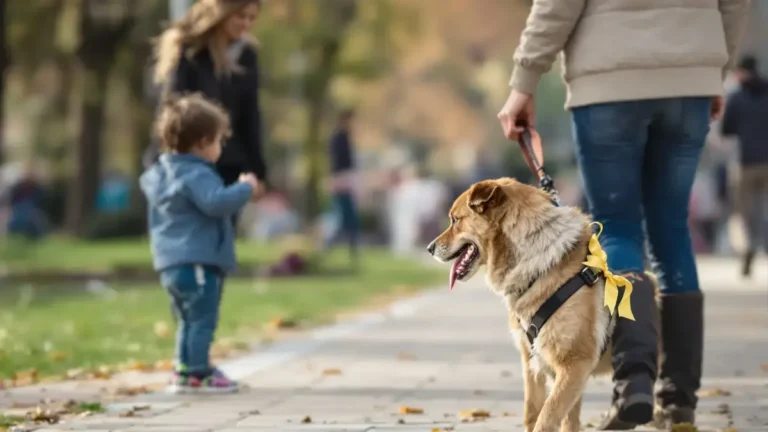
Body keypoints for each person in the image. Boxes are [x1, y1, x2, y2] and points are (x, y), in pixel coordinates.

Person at [497, 0, 750, 429]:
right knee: (673, 231)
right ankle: (679, 400)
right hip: (689, 81)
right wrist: (712, 72)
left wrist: (524, 81)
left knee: (617, 228)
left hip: (608, 84)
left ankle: (633, 380)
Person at [140, 94, 263, 393]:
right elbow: (216, 203)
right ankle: (198, 371)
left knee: (187, 318)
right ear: (202, 142)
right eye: (219, 141)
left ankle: (183, 370)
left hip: (170, 262)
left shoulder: (162, 174)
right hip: (195, 259)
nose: (221, 148)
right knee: (203, 318)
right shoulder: (196, 173)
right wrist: (244, 188)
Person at [146, 0, 267, 199]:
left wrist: (257, 171)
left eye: (251, 18)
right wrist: (161, 162)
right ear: (222, 13)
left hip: (229, 165)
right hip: (188, 165)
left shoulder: (247, 55)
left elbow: (250, 117)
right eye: (240, 16)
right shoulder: (191, 51)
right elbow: (172, 110)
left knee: (222, 229)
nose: (246, 23)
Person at [720, 55, 768, 277]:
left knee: (745, 211)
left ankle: (750, 245)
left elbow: (727, 129)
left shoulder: (737, 97)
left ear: (741, 71)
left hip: (745, 162)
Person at [326, 110, 360, 266]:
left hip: (345, 180)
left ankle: (351, 249)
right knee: (343, 219)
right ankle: (327, 246)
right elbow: (337, 163)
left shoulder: (343, 137)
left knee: (347, 219)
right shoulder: (339, 138)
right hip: (342, 181)